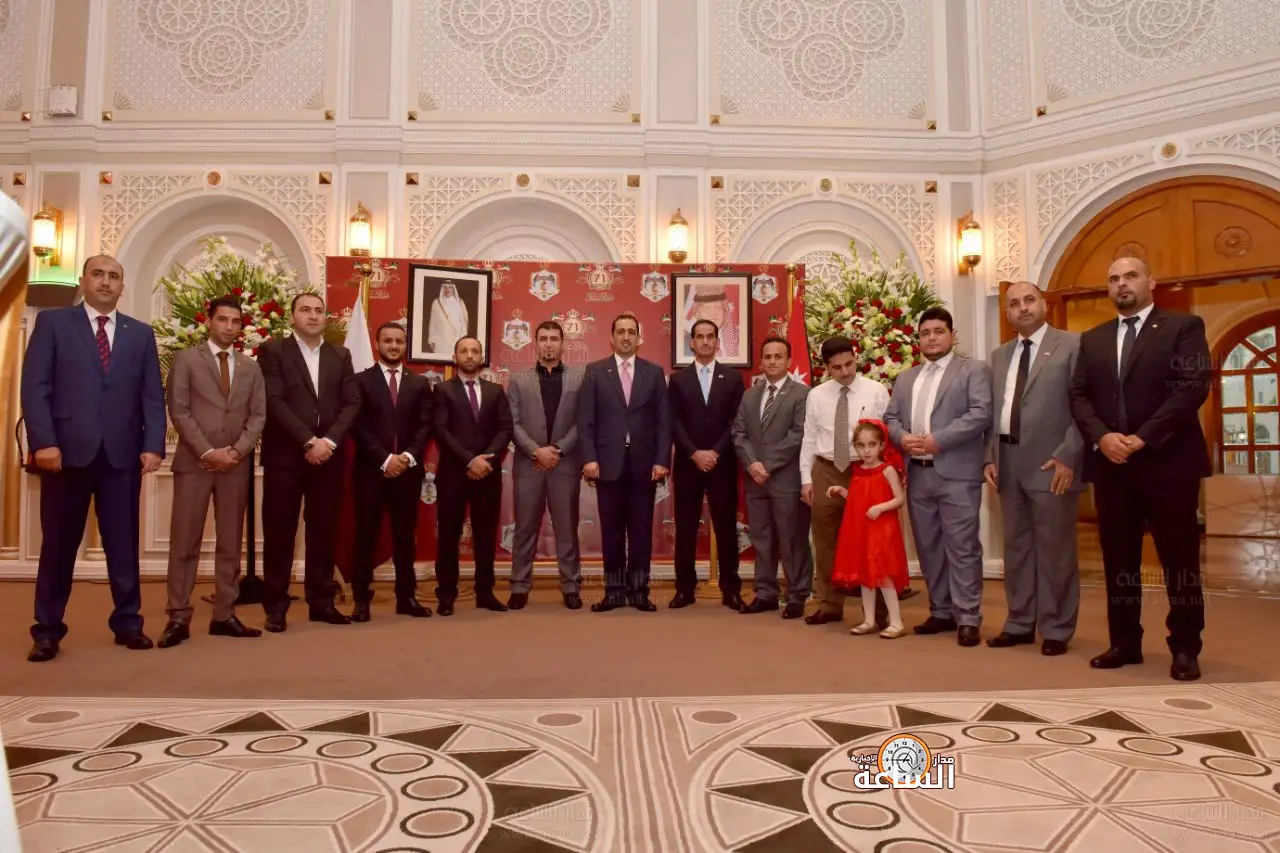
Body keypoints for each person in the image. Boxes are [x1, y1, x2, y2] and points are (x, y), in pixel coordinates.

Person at [1068, 257, 1210, 681]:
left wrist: (1143, 437)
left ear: (1151, 281)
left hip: (1169, 463)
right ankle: (1125, 643)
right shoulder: (1092, 339)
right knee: (1119, 561)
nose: (1121, 284)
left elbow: (1192, 388)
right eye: (1114, 279)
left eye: (1130, 276)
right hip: (1112, 466)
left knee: (1179, 562)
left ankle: (1184, 647)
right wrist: (1102, 438)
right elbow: (1078, 396)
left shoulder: (1183, 327)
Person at [21, 254, 166, 662]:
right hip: (65, 454)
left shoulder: (140, 334)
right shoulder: (53, 324)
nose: (106, 282)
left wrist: (153, 445)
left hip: (122, 456)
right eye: (98, 274)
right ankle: (47, 630)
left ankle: (128, 624)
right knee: (58, 547)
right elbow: (35, 388)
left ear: (122, 286)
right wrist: (44, 442)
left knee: (124, 545)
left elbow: (152, 396)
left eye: (113, 276)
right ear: (83, 281)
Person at [159, 296, 266, 648]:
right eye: (223, 320)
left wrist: (235, 452)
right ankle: (178, 616)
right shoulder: (187, 359)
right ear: (209, 321)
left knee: (230, 543)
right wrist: (207, 451)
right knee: (184, 542)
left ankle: (224, 614)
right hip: (195, 463)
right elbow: (179, 410)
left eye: (235, 321)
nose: (229, 327)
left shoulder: (250, 368)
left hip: (235, 465)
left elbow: (258, 416)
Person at [984, 282, 1083, 656]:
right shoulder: (999, 356)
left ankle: (1056, 627)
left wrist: (1069, 455)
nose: (1022, 308)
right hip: (1007, 464)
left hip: (1052, 463)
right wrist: (989, 457)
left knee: (1055, 550)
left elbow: (1085, 407)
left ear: (1044, 304)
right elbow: (993, 412)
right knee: (1017, 549)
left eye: (1029, 300)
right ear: (1007, 313)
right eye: (1014, 303)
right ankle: (1019, 622)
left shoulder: (1073, 345)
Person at [885, 307, 993, 647]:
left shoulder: (973, 370)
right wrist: (902, 437)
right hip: (918, 475)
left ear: (952, 335)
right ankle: (941, 611)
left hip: (957, 474)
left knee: (962, 548)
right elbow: (890, 418)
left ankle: (968, 617)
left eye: (938, 331)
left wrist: (938, 440)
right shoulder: (906, 378)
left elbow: (980, 413)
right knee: (929, 547)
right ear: (918, 339)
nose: (931, 338)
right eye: (925, 333)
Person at [258, 292, 361, 632]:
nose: (313, 316)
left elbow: (352, 403)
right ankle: (276, 606)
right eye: (305, 310)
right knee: (279, 532)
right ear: (293, 316)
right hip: (285, 456)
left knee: (323, 531)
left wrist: (327, 442)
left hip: (328, 457)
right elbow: (274, 400)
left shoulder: (340, 355)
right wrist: (308, 440)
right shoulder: (274, 351)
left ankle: (321, 603)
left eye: (319, 310)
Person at [579, 313, 671, 612]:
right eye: (621, 331)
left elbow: (664, 422)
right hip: (608, 464)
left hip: (644, 465)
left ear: (639, 338)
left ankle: (639, 592)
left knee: (641, 532)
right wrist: (589, 458)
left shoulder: (653, 372)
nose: (626, 336)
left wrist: (661, 460)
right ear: (612, 337)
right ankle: (615, 592)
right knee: (613, 533)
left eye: (631, 331)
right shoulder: (595, 371)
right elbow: (586, 420)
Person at [799, 336, 891, 627]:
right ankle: (830, 604)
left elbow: (887, 438)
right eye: (837, 367)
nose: (846, 371)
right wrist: (806, 479)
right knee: (825, 540)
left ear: (855, 357)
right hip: (826, 469)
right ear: (826, 368)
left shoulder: (876, 391)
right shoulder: (816, 395)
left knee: (870, 540)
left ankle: (878, 612)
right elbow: (809, 438)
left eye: (849, 364)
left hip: (865, 470)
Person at [349, 322, 434, 622]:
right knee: (366, 536)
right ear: (378, 344)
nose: (394, 346)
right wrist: (385, 459)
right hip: (370, 472)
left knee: (404, 537)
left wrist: (407, 457)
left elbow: (427, 424)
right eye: (388, 341)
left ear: (405, 345)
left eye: (399, 341)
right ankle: (361, 599)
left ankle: (406, 597)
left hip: (407, 472)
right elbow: (356, 424)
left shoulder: (419, 384)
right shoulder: (360, 381)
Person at [733, 337, 813, 619]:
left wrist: (766, 464)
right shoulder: (749, 395)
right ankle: (765, 593)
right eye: (767, 356)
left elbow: (799, 434)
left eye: (778, 356)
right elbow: (738, 433)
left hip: (786, 480)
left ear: (789, 361)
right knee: (762, 540)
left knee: (792, 540)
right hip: (755, 481)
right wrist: (752, 463)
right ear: (761, 362)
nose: (772, 361)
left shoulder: (802, 394)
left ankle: (797, 596)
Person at [433, 336, 513, 615]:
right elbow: (441, 431)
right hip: (453, 474)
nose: (469, 355)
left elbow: (506, 428)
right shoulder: (442, 390)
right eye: (464, 351)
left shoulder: (495, 391)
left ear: (482, 357)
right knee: (448, 536)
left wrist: (486, 458)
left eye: (475, 351)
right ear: (455, 357)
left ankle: (485, 593)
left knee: (485, 535)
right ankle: (446, 594)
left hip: (487, 473)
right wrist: (470, 460)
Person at [507, 320, 584, 610]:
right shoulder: (518, 379)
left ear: (563, 344)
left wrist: (558, 450)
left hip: (565, 465)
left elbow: (582, 421)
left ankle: (570, 586)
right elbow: (512, 423)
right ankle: (519, 586)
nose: (549, 344)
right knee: (524, 529)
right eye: (543, 339)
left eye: (554, 338)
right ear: (535, 343)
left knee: (567, 530)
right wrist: (536, 451)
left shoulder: (579, 378)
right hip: (529, 465)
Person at [669, 319, 745, 610]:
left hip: (721, 464)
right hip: (688, 464)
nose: (704, 341)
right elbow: (673, 421)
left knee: (726, 528)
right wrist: (694, 453)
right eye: (699, 336)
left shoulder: (732, 378)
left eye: (710, 336)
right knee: (685, 528)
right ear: (691, 342)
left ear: (717, 341)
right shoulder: (678, 379)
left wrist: (714, 452)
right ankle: (684, 589)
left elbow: (736, 422)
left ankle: (731, 590)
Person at [827, 420, 909, 638]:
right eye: (861, 446)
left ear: (882, 445)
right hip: (862, 529)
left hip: (882, 529)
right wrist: (843, 491)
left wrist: (881, 508)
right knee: (865, 575)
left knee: (883, 575)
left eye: (871, 445)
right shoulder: (858, 471)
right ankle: (869, 620)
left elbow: (899, 498)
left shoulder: (887, 470)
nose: (866, 451)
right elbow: (858, 500)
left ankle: (896, 622)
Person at [683, 284, 739, 360]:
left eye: (717, 308)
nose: (713, 313)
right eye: (707, 308)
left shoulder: (738, 342)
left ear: (725, 312)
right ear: (697, 314)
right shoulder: (685, 345)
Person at [427, 280, 469, 354]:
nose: (447, 290)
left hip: (456, 338)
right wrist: (432, 340)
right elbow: (432, 323)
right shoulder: (436, 303)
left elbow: (463, 321)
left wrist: (463, 338)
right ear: (442, 289)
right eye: (445, 287)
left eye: (450, 287)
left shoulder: (460, 302)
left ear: (453, 289)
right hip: (441, 339)